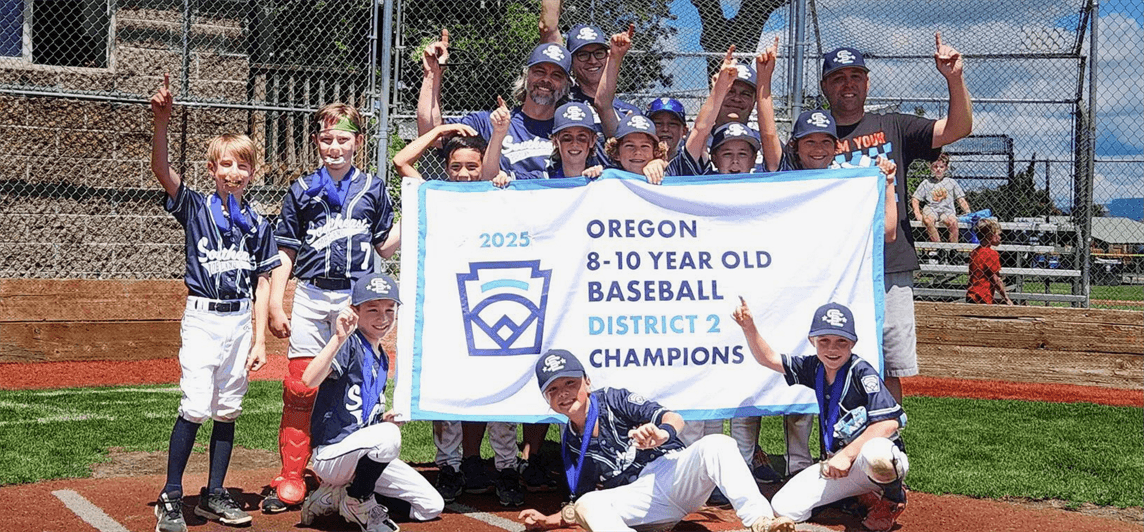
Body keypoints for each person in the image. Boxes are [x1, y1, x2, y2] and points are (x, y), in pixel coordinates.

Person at [150, 74, 281, 532]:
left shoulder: (258, 223)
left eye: (242, 165)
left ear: (252, 172)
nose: (234, 172)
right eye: (226, 164)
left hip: (239, 321)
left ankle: (215, 493)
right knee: (195, 405)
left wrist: (259, 339)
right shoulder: (196, 207)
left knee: (228, 409)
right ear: (212, 168)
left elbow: (263, 283)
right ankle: (171, 495)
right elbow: (162, 172)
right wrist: (162, 123)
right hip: (203, 318)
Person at [821, 34, 973, 404]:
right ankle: (836, 433)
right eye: (838, 78)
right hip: (834, 265)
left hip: (889, 261)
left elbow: (958, 128)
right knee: (830, 360)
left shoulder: (894, 126)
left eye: (856, 76)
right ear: (825, 86)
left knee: (890, 365)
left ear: (867, 82)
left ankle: (888, 434)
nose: (848, 84)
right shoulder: (814, 133)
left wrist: (954, 78)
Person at [262, 103, 397, 512]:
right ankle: (292, 472)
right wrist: (276, 302)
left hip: (354, 297)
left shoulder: (373, 188)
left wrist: (418, 208)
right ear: (316, 142)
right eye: (326, 139)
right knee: (301, 386)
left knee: (349, 383)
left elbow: (384, 246)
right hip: (312, 293)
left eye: (343, 139)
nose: (334, 147)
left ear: (358, 142)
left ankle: (338, 469)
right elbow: (286, 250)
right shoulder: (302, 189)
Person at [389, 119, 530, 506]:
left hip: (491, 304)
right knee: (446, 386)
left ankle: (506, 467)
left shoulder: (499, 194)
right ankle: (449, 466)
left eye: (472, 166)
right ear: (446, 169)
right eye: (456, 167)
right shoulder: (436, 194)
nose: (464, 174)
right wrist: (439, 134)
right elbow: (401, 162)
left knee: (501, 386)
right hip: (447, 307)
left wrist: (499, 177)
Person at [516, 350, 796, 532]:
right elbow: (580, 504)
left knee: (717, 444)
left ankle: (761, 521)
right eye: (553, 389)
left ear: (587, 382)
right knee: (589, 503)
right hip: (640, 500)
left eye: (570, 383)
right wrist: (547, 521)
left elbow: (673, 418)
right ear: (547, 400)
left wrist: (663, 434)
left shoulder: (613, 399)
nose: (564, 393)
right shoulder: (570, 443)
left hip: (671, 473)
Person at [732, 301, 909, 532]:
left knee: (878, 453)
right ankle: (860, 495)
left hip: (870, 460)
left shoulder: (861, 372)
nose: (832, 349)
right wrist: (749, 328)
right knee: (784, 507)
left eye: (841, 341)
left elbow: (889, 423)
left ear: (853, 343)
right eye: (824, 340)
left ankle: (892, 498)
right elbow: (770, 359)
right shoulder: (815, 366)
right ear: (812, 340)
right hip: (839, 463)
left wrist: (847, 456)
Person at [297, 273, 444, 531]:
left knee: (431, 505)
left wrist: (382, 420)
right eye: (373, 309)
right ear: (355, 311)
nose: (383, 317)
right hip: (332, 453)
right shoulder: (349, 343)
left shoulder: (381, 356)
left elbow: (362, 415)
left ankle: (338, 497)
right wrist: (338, 337)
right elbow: (309, 380)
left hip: (360, 452)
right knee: (388, 436)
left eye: (389, 309)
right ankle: (358, 501)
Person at [419, 30, 572, 181]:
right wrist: (432, 73)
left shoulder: (572, 130)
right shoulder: (489, 123)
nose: (546, 80)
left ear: (566, 84)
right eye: (539, 72)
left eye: (556, 75)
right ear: (526, 76)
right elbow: (431, 134)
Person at [912, 152, 971, 243]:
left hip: (947, 210)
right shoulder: (926, 183)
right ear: (931, 167)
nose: (938, 169)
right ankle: (938, 246)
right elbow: (915, 198)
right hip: (931, 208)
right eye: (935, 167)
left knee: (953, 222)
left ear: (946, 168)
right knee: (928, 220)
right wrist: (917, 213)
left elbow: (960, 199)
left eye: (941, 167)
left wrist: (968, 212)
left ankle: (953, 247)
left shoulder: (951, 182)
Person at [547, 101, 605, 179]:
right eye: (567, 137)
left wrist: (602, 175)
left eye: (582, 137)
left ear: (592, 140)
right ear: (555, 141)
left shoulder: (604, 179)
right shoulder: (544, 178)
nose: (574, 144)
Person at [967, 218, 1013, 305]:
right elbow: (996, 279)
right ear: (990, 236)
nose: (1000, 238)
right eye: (998, 235)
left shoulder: (975, 252)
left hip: (972, 293)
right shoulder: (991, 254)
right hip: (983, 296)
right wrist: (1006, 298)